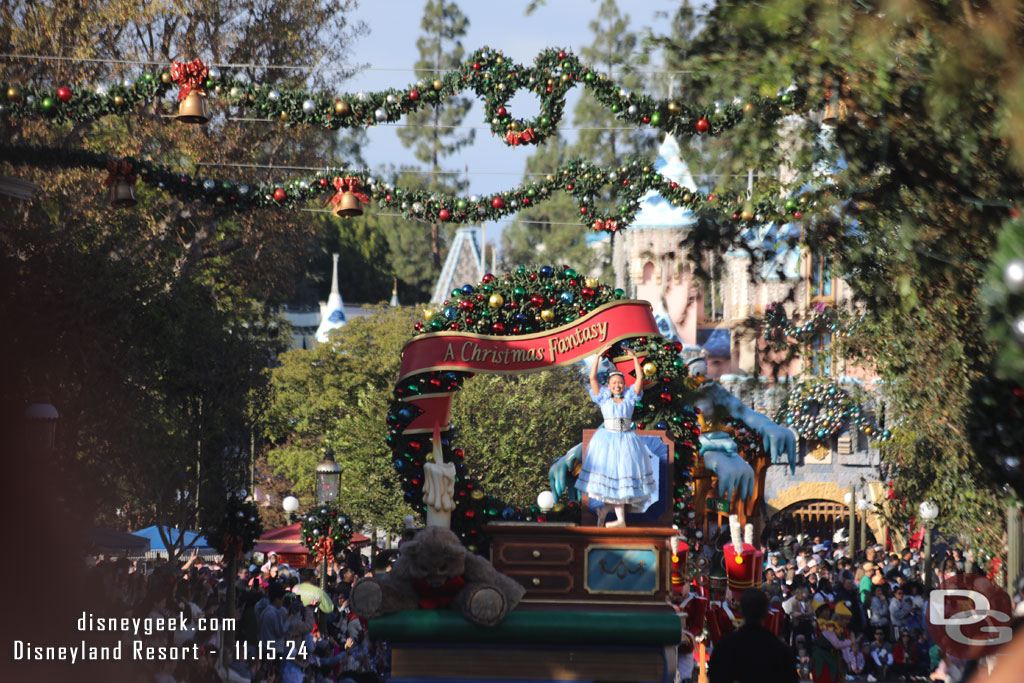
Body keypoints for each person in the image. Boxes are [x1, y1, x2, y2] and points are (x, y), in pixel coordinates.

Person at [576, 345, 656, 527]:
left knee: (622, 482)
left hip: (626, 439)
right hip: (607, 441)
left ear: (624, 385)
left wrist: (635, 358)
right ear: (609, 386)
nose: (617, 386)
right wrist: (597, 356)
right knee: (611, 482)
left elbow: (640, 378)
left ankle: (608, 514)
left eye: (620, 383)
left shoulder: (629, 398)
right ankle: (613, 516)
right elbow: (592, 377)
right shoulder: (604, 397)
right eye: (614, 384)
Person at [708, 588, 799, 683]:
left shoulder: (725, 647)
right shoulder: (780, 649)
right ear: (766, 612)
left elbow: (715, 677)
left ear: (741, 610)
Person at [810, 601, 859, 683]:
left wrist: (848, 662)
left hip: (834, 658)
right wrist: (852, 642)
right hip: (823, 659)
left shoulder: (842, 629)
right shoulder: (829, 627)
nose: (848, 622)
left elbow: (843, 647)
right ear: (839, 618)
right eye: (846, 619)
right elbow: (837, 644)